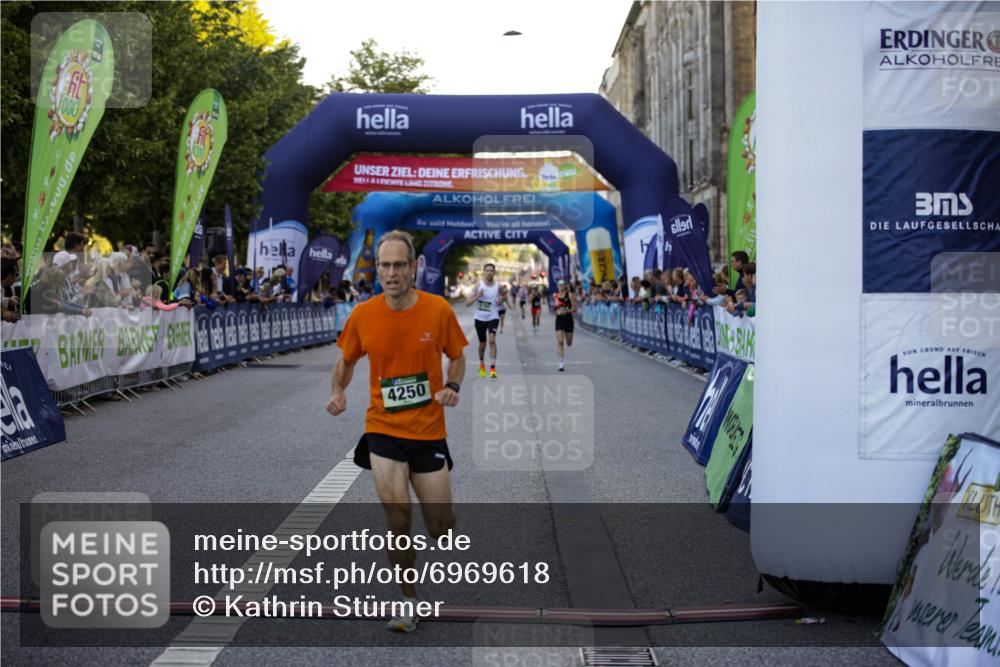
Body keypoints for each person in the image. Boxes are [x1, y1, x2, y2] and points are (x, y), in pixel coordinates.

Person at [326, 230, 467, 633]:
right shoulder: (364, 314)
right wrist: (337, 392)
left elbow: (457, 357)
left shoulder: (437, 310)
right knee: (397, 517)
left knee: (440, 528)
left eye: (398, 265)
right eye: (384, 265)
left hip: (427, 430)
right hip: (383, 429)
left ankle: (442, 524)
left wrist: (452, 386)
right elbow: (347, 360)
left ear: (413, 267)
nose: (391, 273)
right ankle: (408, 600)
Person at [465, 262, 501, 379]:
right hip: (480, 318)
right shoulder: (478, 285)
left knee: (492, 340)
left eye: (492, 270)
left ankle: (493, 369)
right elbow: (467, 303)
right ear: (484, 272)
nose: (490, 272)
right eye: (488, 270)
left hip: (493, 316)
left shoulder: (497, 286)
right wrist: (477, 296)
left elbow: (500, 298)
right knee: (482, 344)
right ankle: (481, 364)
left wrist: (500, 300)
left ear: (494, 272)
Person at [553, 280, 576, 371]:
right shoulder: (556, 296)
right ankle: (561, 362)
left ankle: (562, 361)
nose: (561, 286)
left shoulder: (570, 295)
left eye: (563, 285)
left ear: (565, 286)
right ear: (557, 286)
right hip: (559, 319)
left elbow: (574, 308)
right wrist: (557, 309)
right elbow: (555, 307)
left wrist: (567, 310)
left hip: (568, 319)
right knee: (560, 342)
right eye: (559, 285)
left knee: (569, 343)